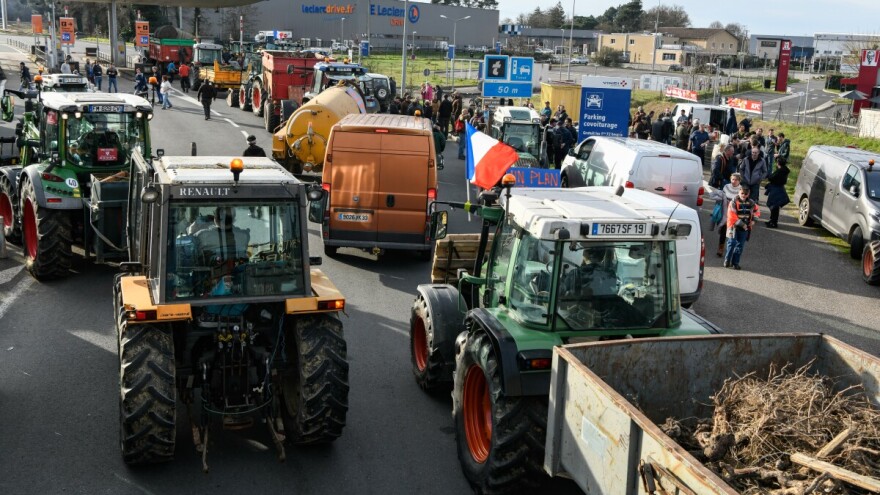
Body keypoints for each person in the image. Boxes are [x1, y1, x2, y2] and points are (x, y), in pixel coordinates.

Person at [724, 185, 760, 270]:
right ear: (739, 192)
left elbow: (757, 211)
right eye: (742, 193)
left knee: (740, 246)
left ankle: (735, 263)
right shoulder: (733, 202)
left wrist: (754, 220)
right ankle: (727, 260)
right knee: (731, 243)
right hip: (733, 226)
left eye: (746, 194)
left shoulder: (751, 203)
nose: (744, 195)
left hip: (745, 228)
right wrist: (741, 224)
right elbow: (732, 215)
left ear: (748, 194)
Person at [710, 173, 742, 257]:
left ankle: (731, 249)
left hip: (735, 214)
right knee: (723, 231)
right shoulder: (726, 187)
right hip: (724, 212)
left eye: (736, 180)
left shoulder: (741, 189)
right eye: (733, 179)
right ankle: (720, 248)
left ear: (739, 180)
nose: (734, 181)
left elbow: (742, 201)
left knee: (733, 232)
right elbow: (721, 197)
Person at [764, 157, 790, 228]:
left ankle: (773, 222)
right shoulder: (784, 170)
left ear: (778, 163)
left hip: (776, 190)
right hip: (779, 189)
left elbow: (771, 178)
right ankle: (772, 221)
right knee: (775, 206)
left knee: (773, 206)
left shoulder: (780, 171)